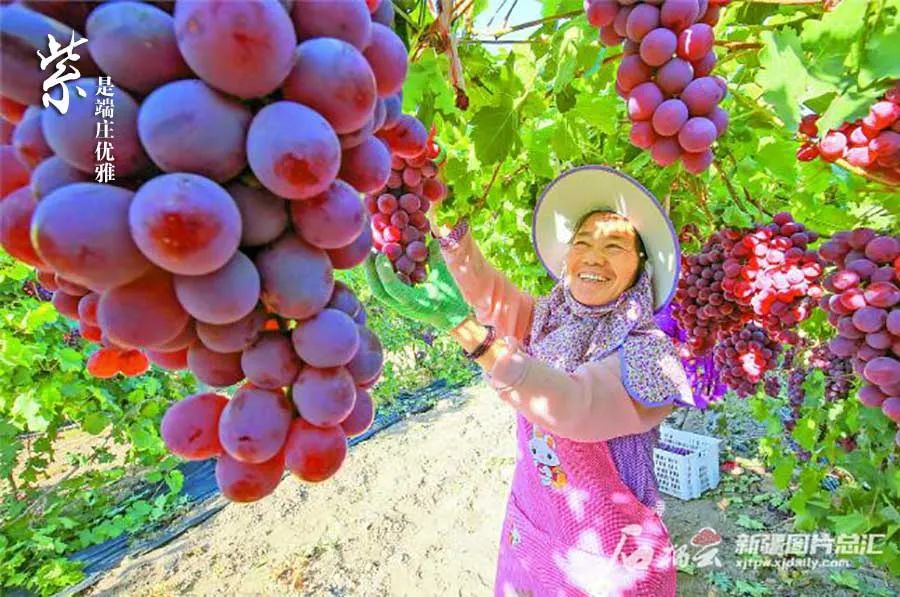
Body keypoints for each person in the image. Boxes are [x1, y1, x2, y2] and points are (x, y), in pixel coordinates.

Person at [366, 165, 697, 596]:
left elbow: (575, 406)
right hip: (536, 518)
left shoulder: (649, 353)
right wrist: (441, 220)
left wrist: (462, 328)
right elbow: (493, 297)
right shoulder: (552, 318)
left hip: (608, 552)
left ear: (641, 268)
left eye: (615, 246)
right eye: (582, 242)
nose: (593, 255)